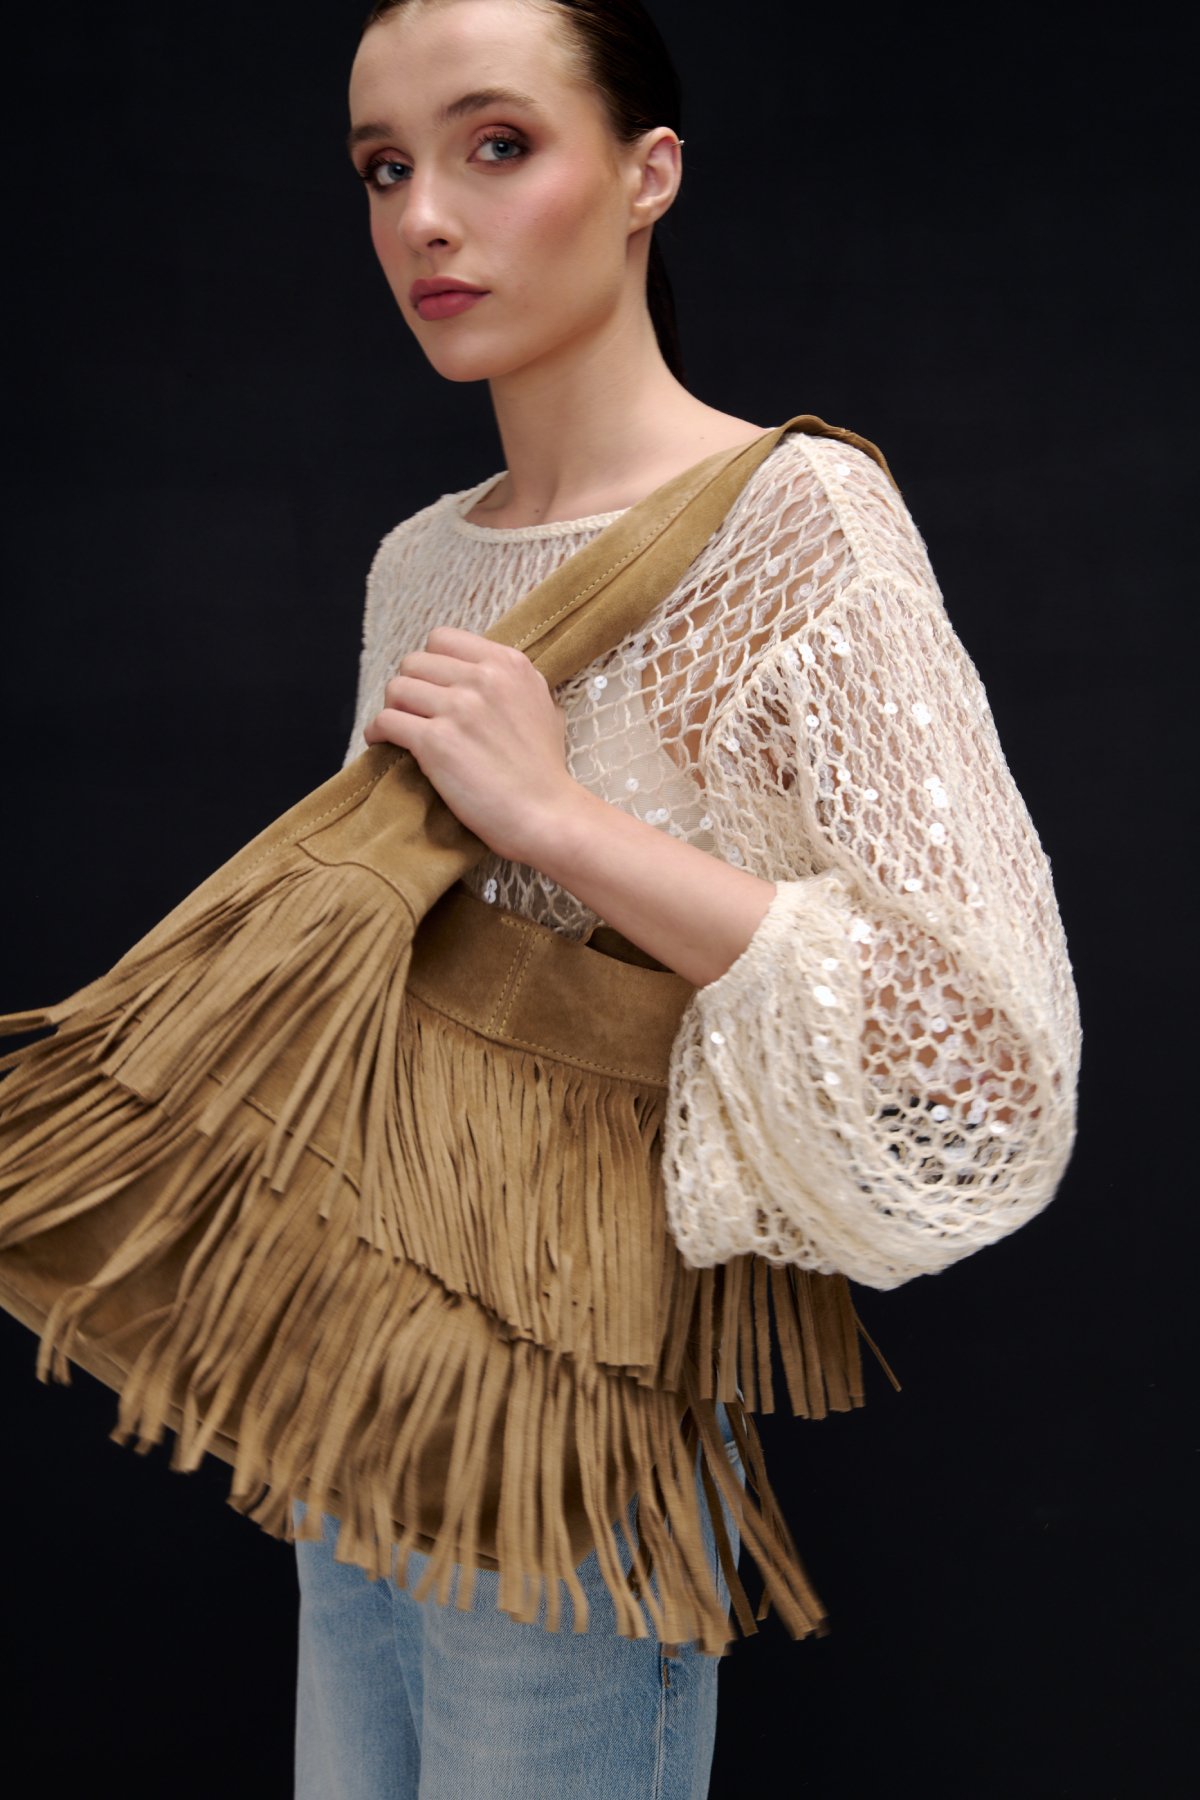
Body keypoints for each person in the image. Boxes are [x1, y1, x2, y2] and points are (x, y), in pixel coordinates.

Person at [291, 1, 1082, 1795]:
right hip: (360, 1335)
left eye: (498, 145)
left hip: (577, 1363)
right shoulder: (421, 560)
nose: (426, 217)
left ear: (649, 172)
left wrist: (558, 823)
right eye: (384, 168)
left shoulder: (797, 520)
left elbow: (975, 1043)